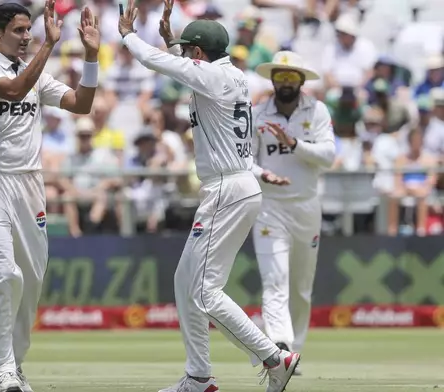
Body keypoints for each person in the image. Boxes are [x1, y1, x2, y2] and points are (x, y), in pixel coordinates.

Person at [118, 1, 300, 392]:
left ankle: (275, 358)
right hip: (236, 184)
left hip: (227, 190)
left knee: (202, 289)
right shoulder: (227, 75)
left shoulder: (214, 78)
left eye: (188, 49)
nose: (184, 53)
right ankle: (199, 376)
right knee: (187, 283)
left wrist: (128, 35)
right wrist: (172, 38)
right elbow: (187, 67)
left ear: (199, 54)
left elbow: (159, 63)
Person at [0, 1, 101, 391]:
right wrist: (50, 46)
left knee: (32, 280)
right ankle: (3, 366)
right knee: (4, 273)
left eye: (28, 30)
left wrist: (91, 56)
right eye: (19, 31)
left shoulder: (33, 71)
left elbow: (82, 104)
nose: (26, 37)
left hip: (30, 183)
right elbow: (14, 90)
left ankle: (10, 362)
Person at [250, 51, 336, 376]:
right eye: (279, 76)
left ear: (301, 79)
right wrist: (264, 175)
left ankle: (294, 349)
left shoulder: (317, 111)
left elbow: (328, 156)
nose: (285, 82)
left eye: (291, 76)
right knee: (275, 280)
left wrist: (295, 144)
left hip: (306, 207)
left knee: (301, 287)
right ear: (272, 79)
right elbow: (246, 160)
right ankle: (279, 348)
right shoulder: (257, 114)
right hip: (269, 207)